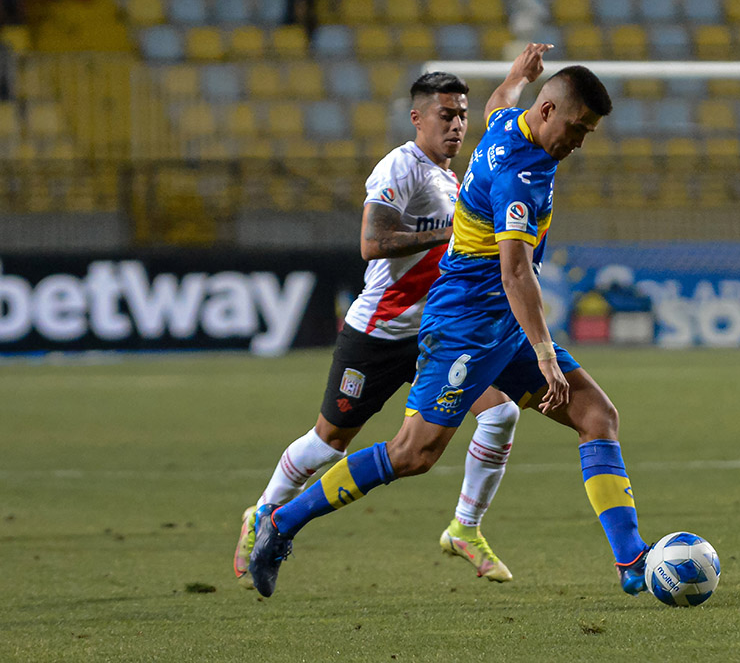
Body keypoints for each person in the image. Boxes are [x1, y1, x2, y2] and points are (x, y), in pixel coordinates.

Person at [248, 55, 653, 601]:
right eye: (577, 128)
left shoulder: (510, 124)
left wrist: (518, 75)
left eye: (588, 133)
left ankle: (631, 562)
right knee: (413, 454)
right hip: (465, 325)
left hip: (500, 324)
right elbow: (515, 271)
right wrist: (546, 354)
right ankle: (282, 522)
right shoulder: (520, 175)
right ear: (551, 111)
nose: (580, 141)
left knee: (598, 416)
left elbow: (498, 102)